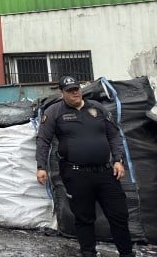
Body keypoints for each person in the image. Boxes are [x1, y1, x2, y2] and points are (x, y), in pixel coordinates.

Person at [36, 76, 133, 257]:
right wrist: (41, 166)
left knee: (119, 215)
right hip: (76, 174)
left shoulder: (97, 108)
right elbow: (43, 141)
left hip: (105, 172)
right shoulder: (54, 111)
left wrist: (118, 160)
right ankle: (88, 253)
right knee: (84, 218)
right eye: (70, 90)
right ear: (62, 92)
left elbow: (114, 135)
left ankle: (127, 253)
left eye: (77, 89)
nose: (75, 92)